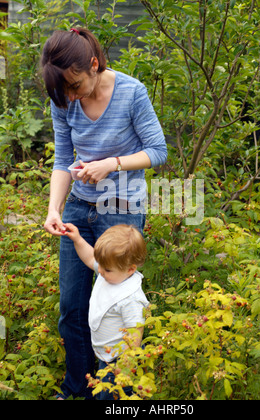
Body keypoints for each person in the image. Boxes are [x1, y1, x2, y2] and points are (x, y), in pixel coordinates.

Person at [41, 27, 167, 399]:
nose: (70, 96)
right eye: (62, 91)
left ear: (93, 64)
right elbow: (64, 159)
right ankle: (76, 388)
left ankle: (113, 394)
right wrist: (54, 208)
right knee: (73, 306)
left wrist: (111, 164)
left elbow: (157, 151)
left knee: (117, 306)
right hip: (79, 206)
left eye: (75, 85)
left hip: (122, 210)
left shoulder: (131, 92)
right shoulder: (62, 99)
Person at [64, 223, 149, 400]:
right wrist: (78, 239)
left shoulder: (131, 298)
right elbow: (89, 258)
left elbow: (135, 333)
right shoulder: (112, 272)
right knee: (103, 392)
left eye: (105, 269)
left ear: (131, 269)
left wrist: (126, 364)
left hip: (119, 361)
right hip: (106, 355)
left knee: (111, 396)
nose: (99, 271)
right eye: (100, 265)